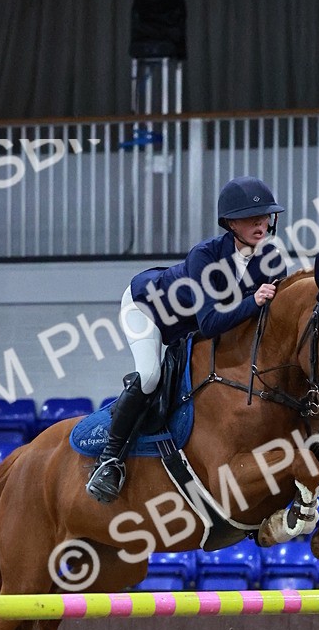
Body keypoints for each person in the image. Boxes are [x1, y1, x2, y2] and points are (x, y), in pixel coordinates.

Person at [86, 176, 287, 503]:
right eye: (252, 218)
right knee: (151, 376)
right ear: (232, 223)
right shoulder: (204, 256)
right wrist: (254, 301)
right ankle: (109, 460)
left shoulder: (272, 259)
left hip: (188, 326)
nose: (262, 224)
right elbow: (209, 323)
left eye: (265, 216)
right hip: (148, 309)